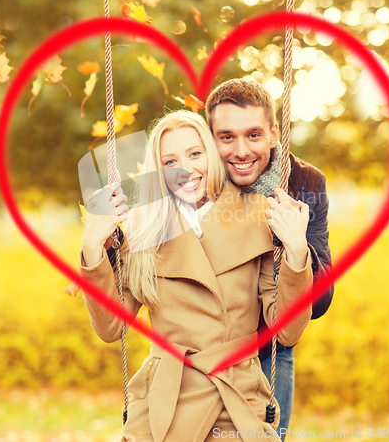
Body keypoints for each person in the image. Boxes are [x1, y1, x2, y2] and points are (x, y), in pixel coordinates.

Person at [79, 110, 313, 441]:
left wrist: (296, 251)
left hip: (237, 399)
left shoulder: (260, 213)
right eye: (170, 162)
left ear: (211, 155)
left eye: (195, 154)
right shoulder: (142, 228)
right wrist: (92, 248)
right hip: (165, 400)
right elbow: (110, 328)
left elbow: (287, 332)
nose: (186, 170)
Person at [204, 78, 333, 440]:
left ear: (274, 134)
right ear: (209, 137)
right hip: (201, 354)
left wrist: (293, 248)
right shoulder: (193, 178)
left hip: (267, 353)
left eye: (254, 135)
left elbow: (320, 301)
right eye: (226, 137)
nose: (241, 151)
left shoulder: (304, 182)